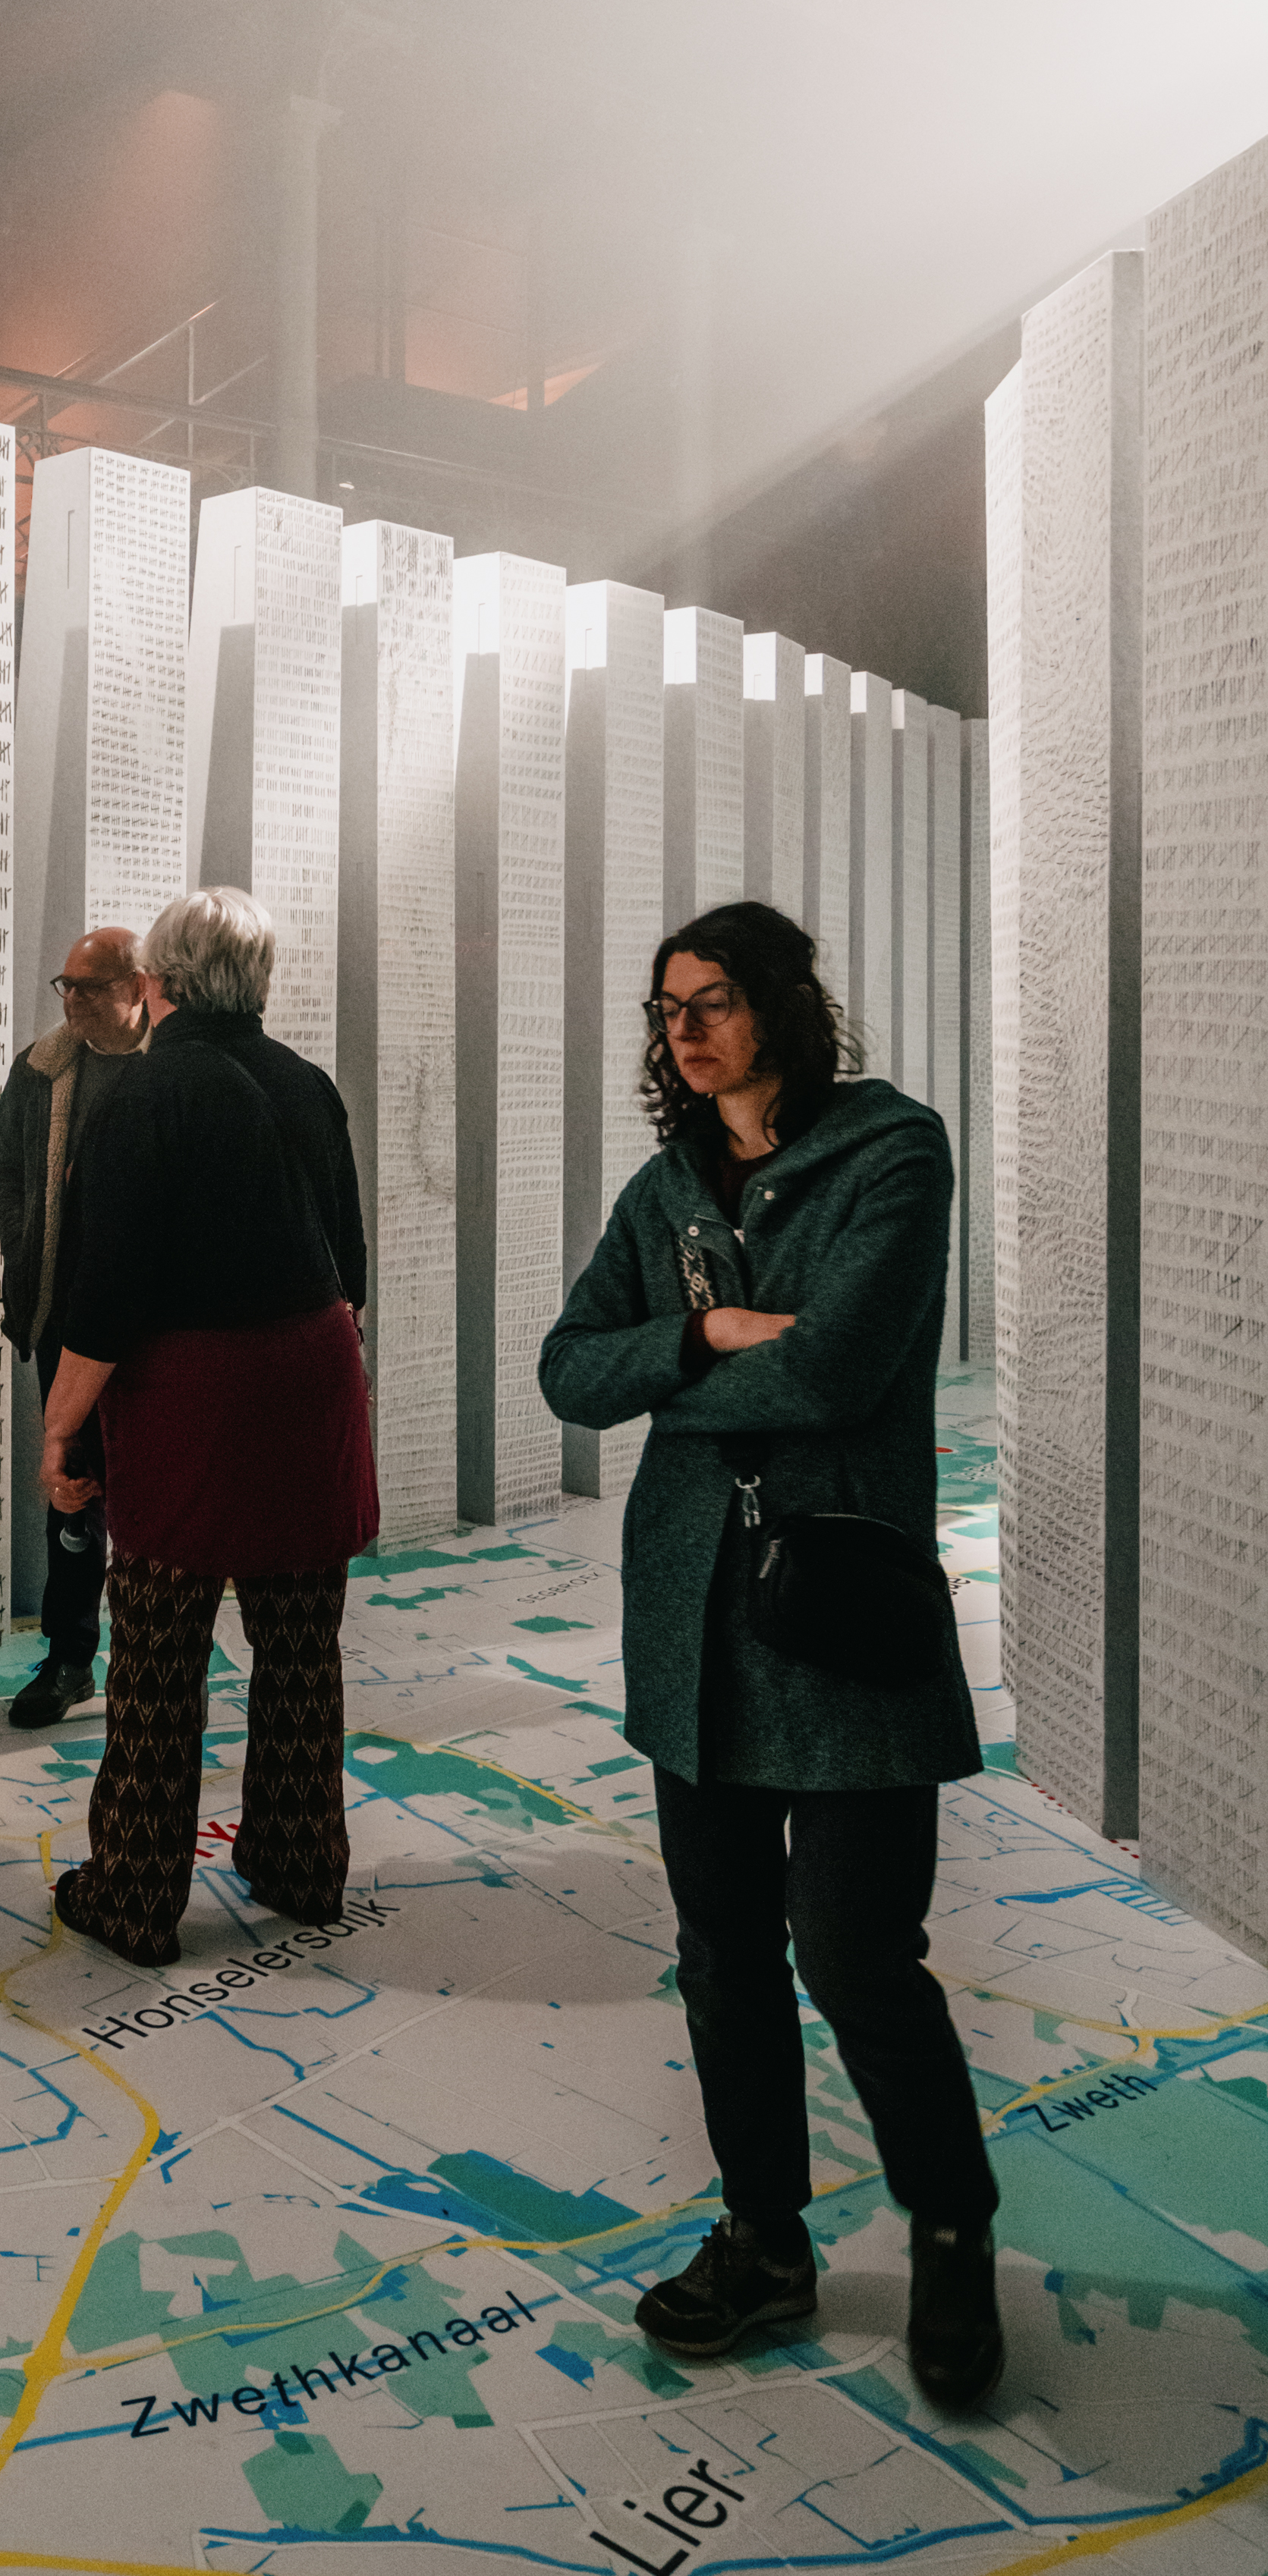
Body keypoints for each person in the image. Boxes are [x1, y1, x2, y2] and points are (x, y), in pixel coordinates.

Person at [536, 900, 1002, 2414]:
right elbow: (566, 1369)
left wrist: (683, 1379)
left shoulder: (891, 1151)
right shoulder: (664, 1187)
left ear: (786, 1004)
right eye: (665, 1007)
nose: (684, 1031)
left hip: (841, 1608)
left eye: (714, 1000)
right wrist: (707, 1338)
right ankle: (763, 2240)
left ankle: (950, 2235)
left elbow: (842, 1367)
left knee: (857, 1953)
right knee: (723, 1956)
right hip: (694, 1622)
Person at [42, 888, 374, 1965]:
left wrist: (60, 1430)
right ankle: (301, 1864)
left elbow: (106, 1295)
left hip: (191, 1395)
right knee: (299, 1650)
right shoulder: (308, 1085)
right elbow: (348, 1266)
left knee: (156, 1658)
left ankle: (135, 1896)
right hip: (311, 1379)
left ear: (157, 982)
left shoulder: (144, 1094)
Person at [0, 925, 146, 1726]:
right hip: (64, 1312)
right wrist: (31, 1245)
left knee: (152, 1487)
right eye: (65, 984)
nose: (72, 999)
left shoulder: (170, 1071)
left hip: (154, 1326)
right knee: (72, 1491)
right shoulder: (40, 1069)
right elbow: (1, 1169)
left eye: (90, 985)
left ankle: (158, 1657)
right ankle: (69, 1656)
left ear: (139, 987)